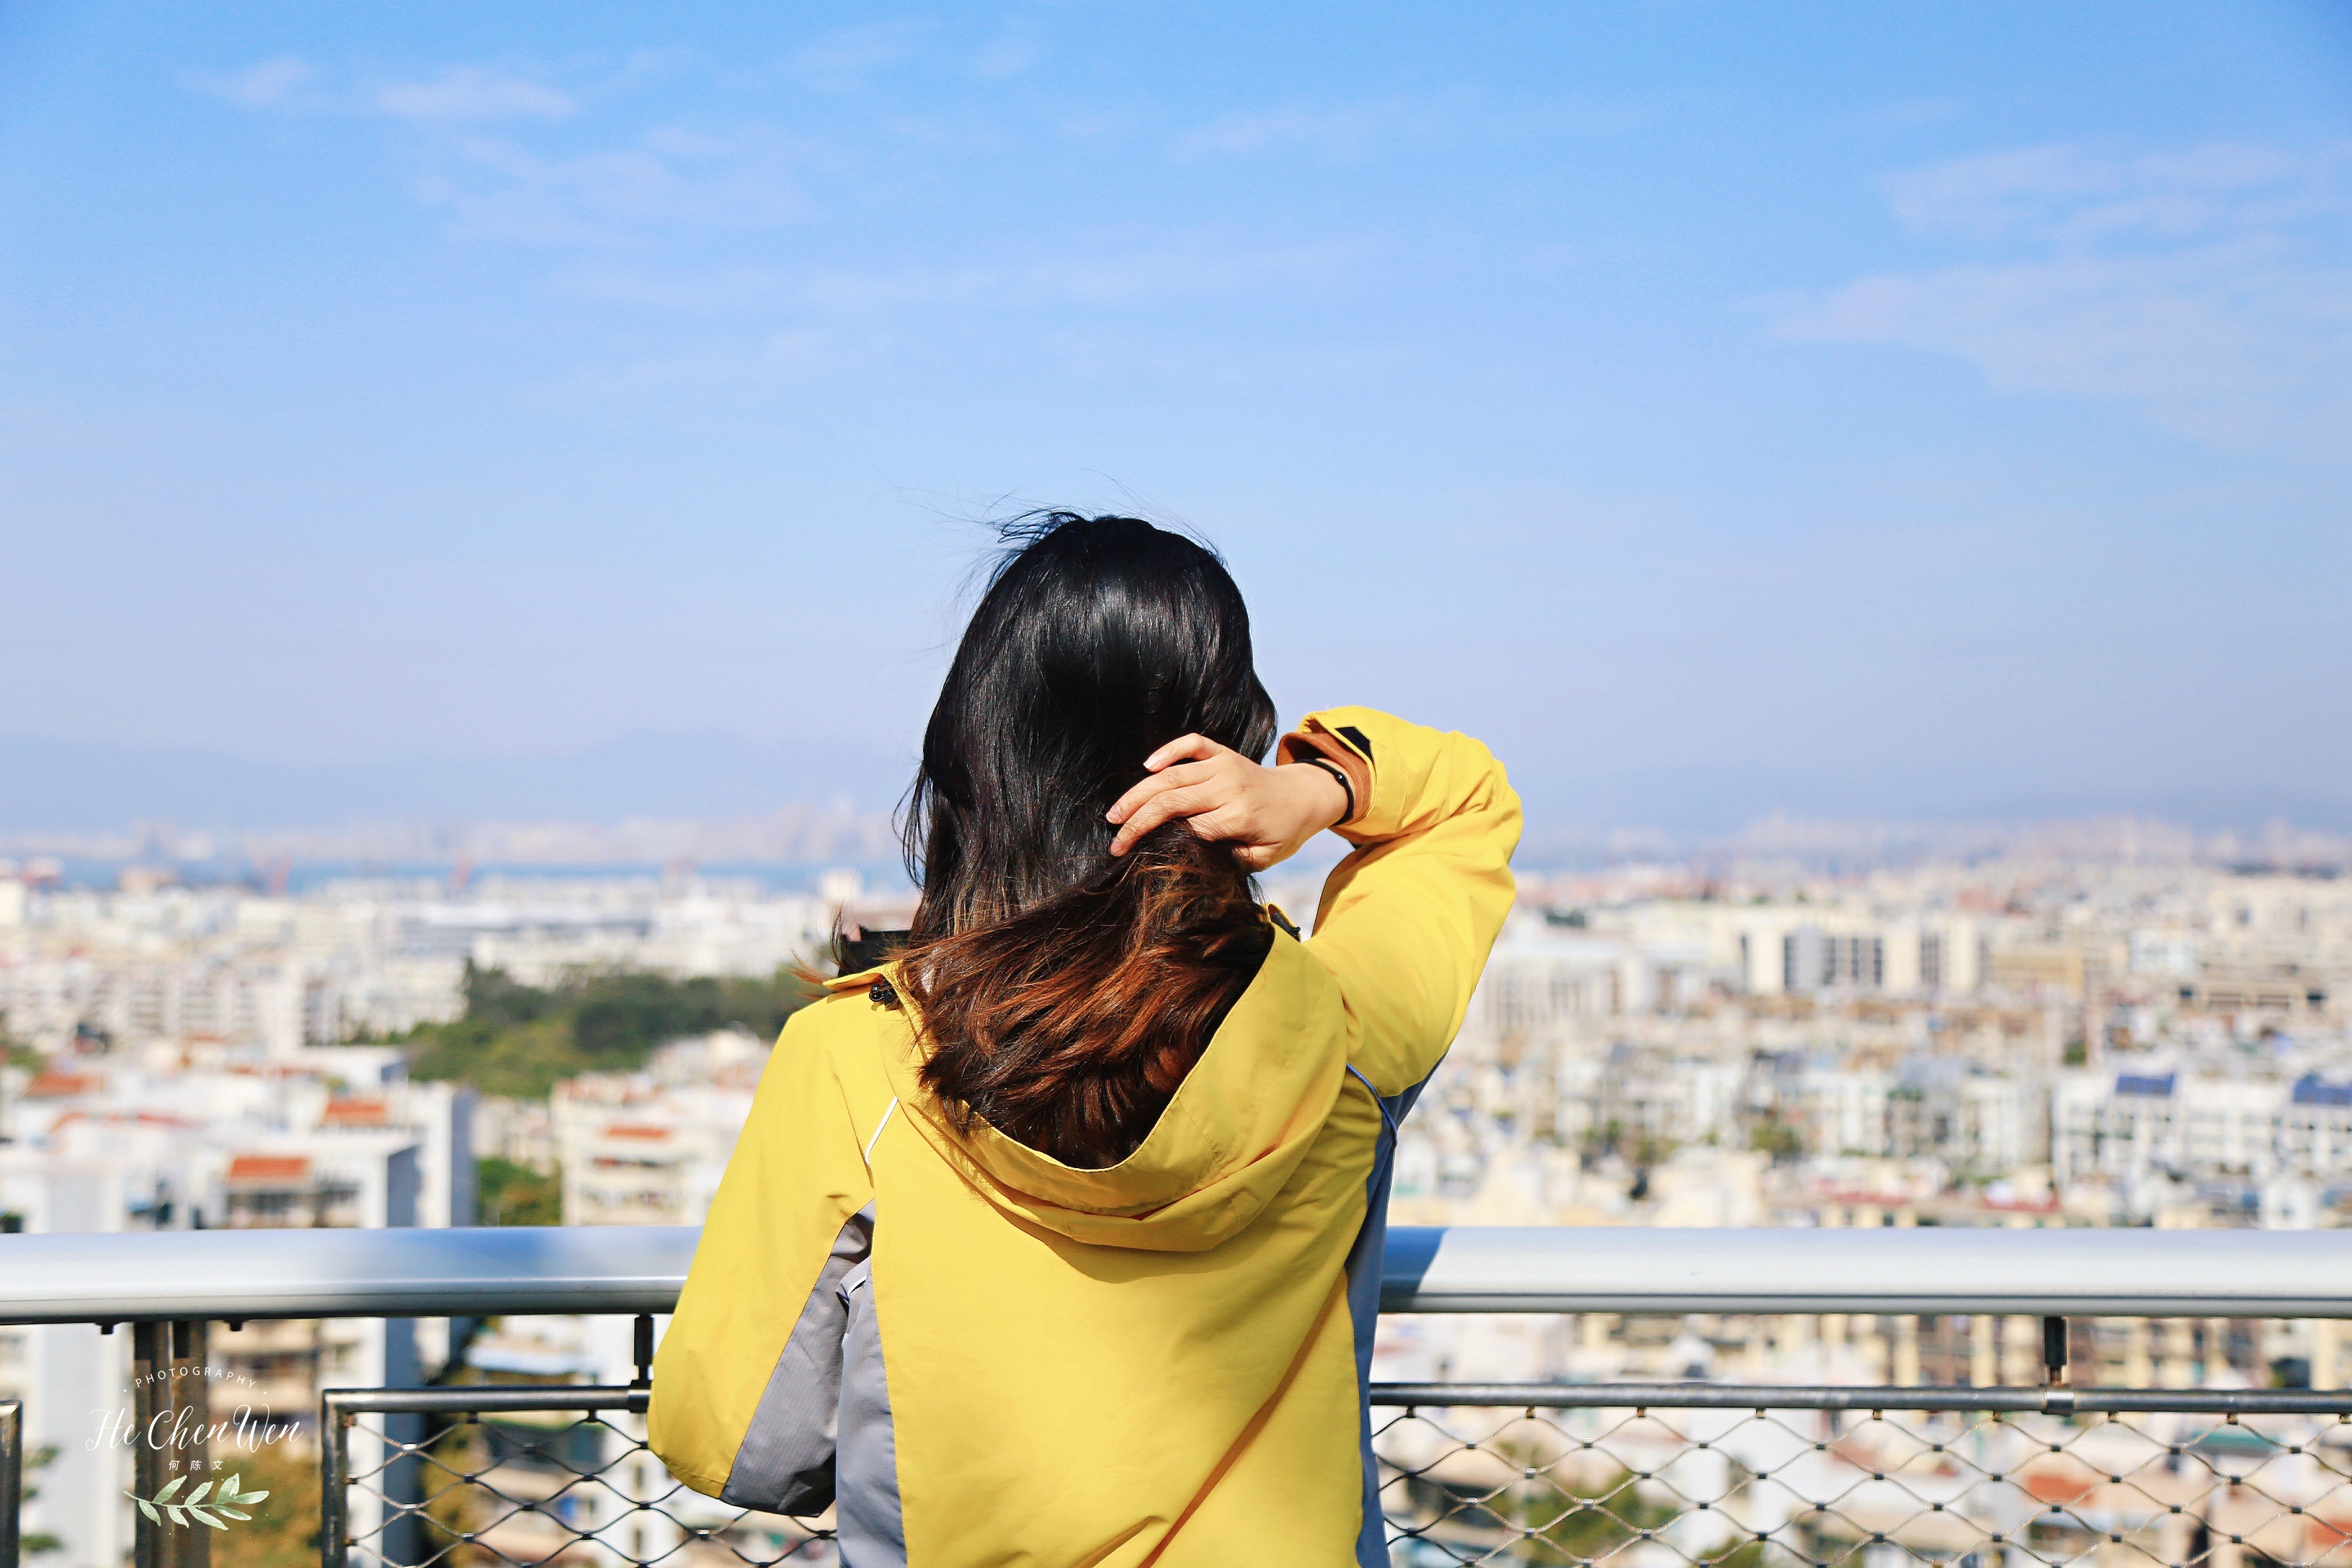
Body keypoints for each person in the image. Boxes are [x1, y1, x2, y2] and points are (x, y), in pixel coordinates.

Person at [650, 513, 1519, 1567]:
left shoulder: (856, 1060)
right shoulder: (1339, 1035)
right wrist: (1313, 786)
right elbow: (1468, 805)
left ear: (973, 752)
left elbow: (743, 1444)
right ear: (1223, 747)